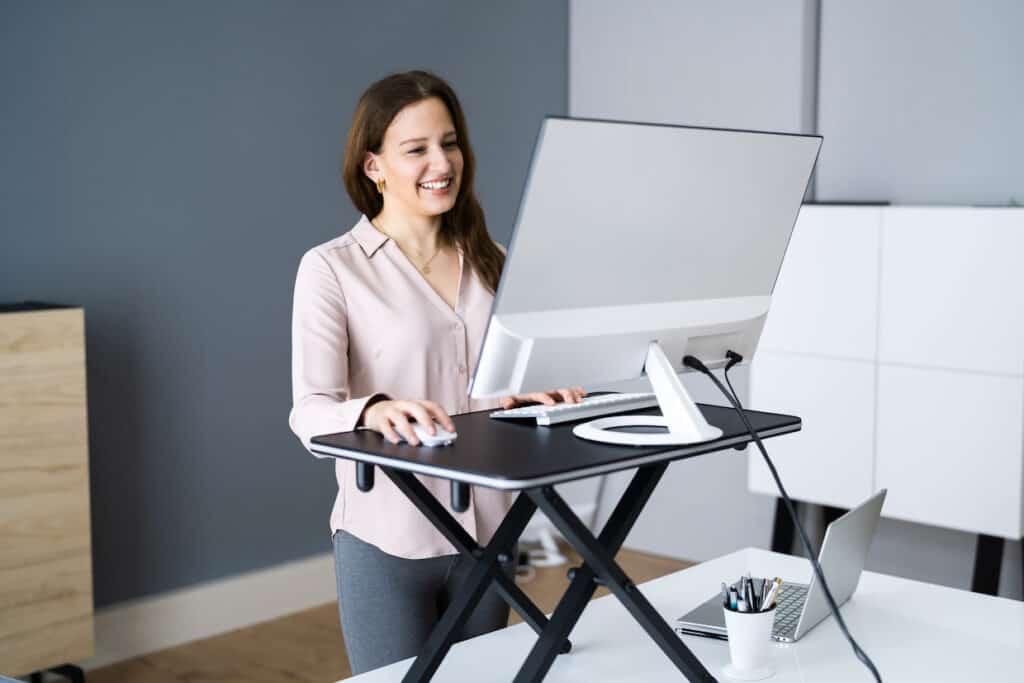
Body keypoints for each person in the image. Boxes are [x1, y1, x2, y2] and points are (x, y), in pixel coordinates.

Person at [288, 70, 585, 675]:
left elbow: (493, 390)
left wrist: (526, 398)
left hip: (494, 534)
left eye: (448, 143)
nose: (441, 162)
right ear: (374, 167)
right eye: (416, 148)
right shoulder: (331, 270)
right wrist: (371, 410)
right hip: (388, 539)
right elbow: (310, 411)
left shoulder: (493, 259)